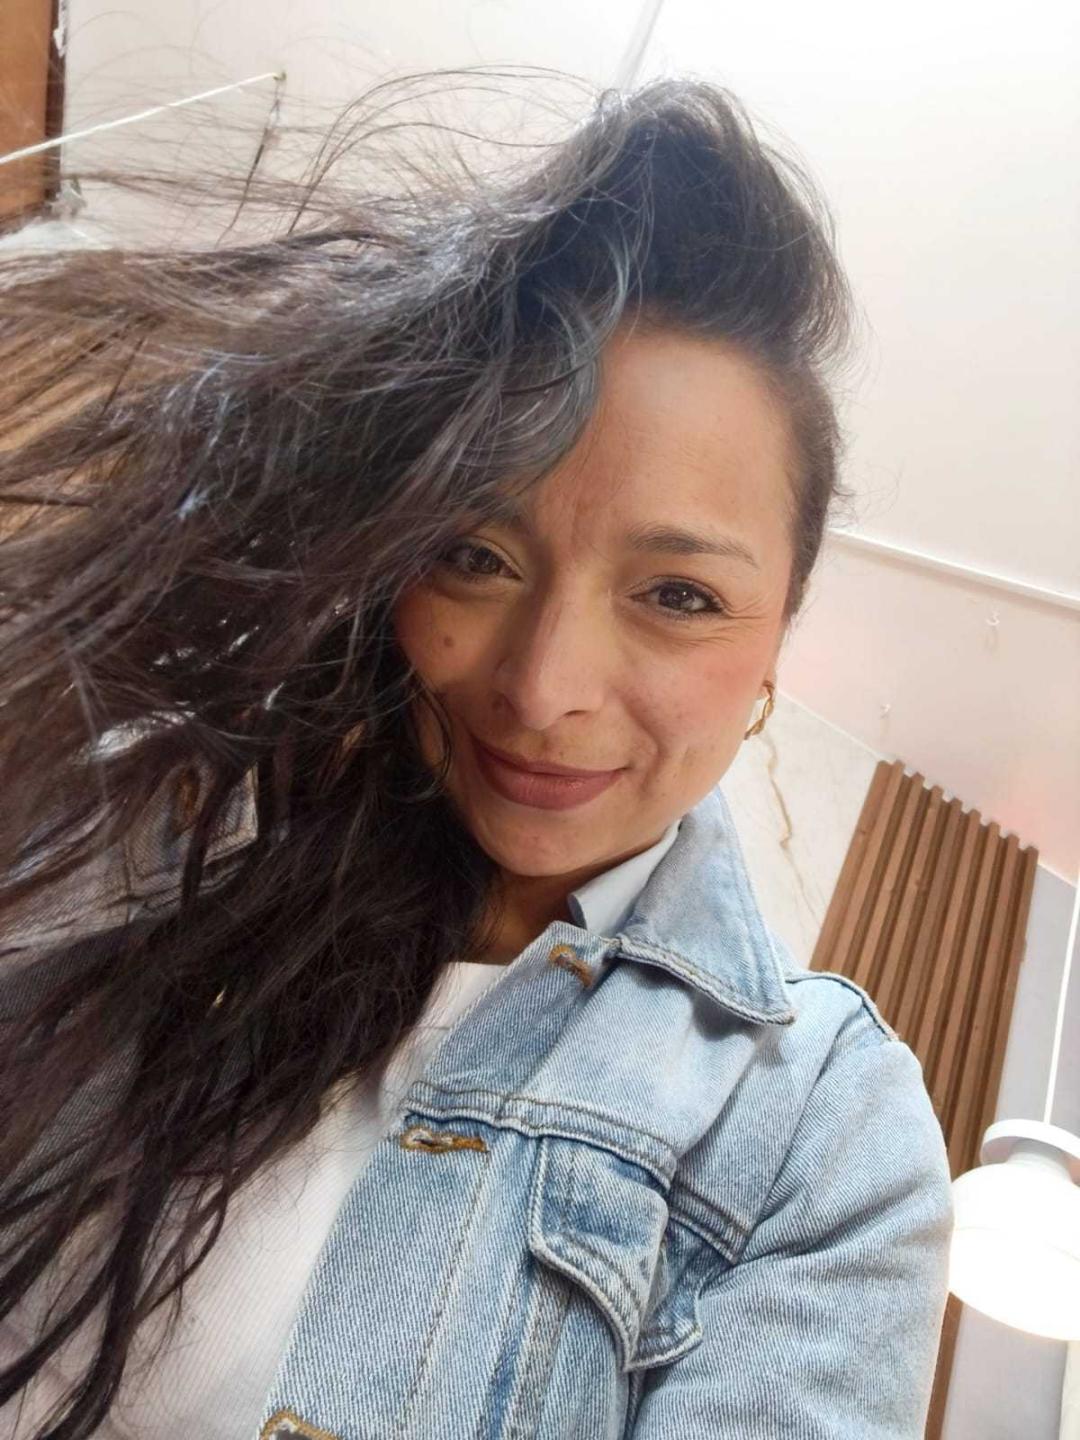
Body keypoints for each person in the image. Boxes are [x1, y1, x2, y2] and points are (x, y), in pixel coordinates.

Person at [0, 73, 953, 1440]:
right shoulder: (162, 828)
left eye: (677, 595)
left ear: (776, 640)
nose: (543, 688)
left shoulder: (822, 1129)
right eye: (476, 555)